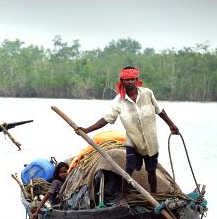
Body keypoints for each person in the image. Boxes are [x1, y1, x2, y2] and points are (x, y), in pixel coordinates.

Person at [76, 66, 179, 206]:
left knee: (151, 171)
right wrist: (87, 130)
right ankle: (123, 197)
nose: (130, 82)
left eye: (133, 79)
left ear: (137, 80)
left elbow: (160, 110)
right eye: (127, 80)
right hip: (133, 142)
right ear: (122, 82)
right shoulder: (119, 101)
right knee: (129, 169)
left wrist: (171, 125)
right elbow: (107, 119)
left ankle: (155, 198)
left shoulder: (147, 94)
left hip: (151, 141)